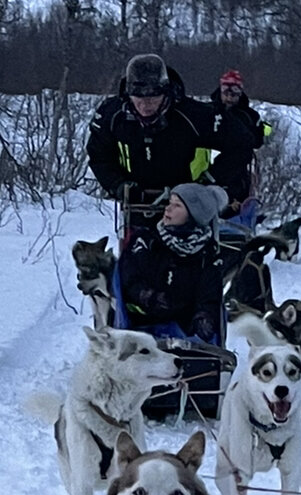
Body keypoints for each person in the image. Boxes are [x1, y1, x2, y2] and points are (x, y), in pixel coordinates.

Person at [115, 182, 230, 418]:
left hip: (184, 323)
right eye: (169, 203)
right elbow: (128, 277)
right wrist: (146, 296)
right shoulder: (145, 241)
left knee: (203, 333)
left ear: (192, 215)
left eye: (176, 205)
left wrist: (204, 316)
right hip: (142, 318)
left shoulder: (208, 255)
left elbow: (209, 295)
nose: (167, 209)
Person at [87, 53, 218, 210]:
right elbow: (99, 155)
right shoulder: (112, 115)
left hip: (188, 205)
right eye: (138, 98)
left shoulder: (194, 115)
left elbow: (239, 143)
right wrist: (117, 185)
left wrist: (209, 182)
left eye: (153, 98)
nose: (145, 105)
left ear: (165, 92)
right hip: (135, 204)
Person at [208, 68, 268, 227]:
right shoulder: (207, 112)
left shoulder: (249, 116)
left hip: (236, 176)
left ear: (240, 93)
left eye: (234, 93)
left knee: (234, 214)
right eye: (225, 92)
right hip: (205, 172)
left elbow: (257, 141)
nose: (229, 97)